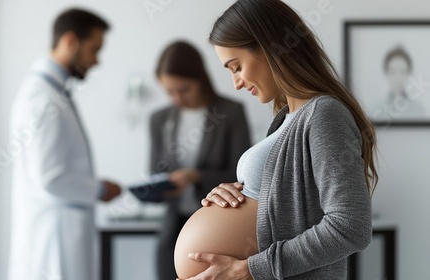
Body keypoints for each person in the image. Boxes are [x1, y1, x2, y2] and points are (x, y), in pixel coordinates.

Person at [176, 0, 378, 279]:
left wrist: (249, 269)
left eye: (236, 67)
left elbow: (350, 226)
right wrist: (228, 195)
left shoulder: (324, 114)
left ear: (270, 49)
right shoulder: (285, 120)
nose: (236, 83)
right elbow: (276, 208)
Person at [8, 8, 121, 280]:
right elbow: (50, 179)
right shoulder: (43, 100)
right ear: (70, 41)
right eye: (94, 49)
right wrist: (99, 188)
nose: (96, 61)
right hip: (52, 244)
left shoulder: (51, 93)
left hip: (58, 233)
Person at [150, 41, 251, 280]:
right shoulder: (159, 119)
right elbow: (154, 171)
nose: (177, 98)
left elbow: (242, 178)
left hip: (220, 226)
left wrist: (195, 177)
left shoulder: (231, 112)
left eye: (183, 90)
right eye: (169, 91)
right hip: (173, 228)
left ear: (201, 80)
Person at [374, 46, 428, 120]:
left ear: (408, 73)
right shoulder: (376, 110)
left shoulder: (419, 111)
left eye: (402, 72)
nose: (397, 77)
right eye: (393, 71)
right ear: (386, 72)